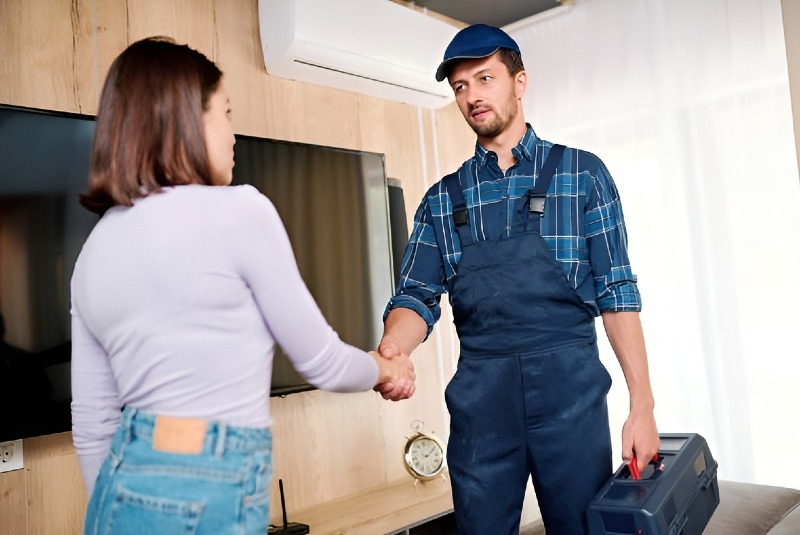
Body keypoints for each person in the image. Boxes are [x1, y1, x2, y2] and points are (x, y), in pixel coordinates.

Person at [70, 36, 415, 535]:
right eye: (225, 113)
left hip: (115, 493)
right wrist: (386, 367)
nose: (233, 135)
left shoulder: (95, 248)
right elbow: (322, 361)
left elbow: (93, 423)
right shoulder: (240, 210)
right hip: (210, 481)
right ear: (187, 121)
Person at [376, 24, 659, 534]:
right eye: (460, 86)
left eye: (485, 78)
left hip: (572, 403)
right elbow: (415, 296)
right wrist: (394, 348)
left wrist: (642, 406)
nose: (472, 96)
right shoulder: (440, 201)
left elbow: (617, 292)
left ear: (519, 82)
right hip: (481, 410)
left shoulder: (582, 175)